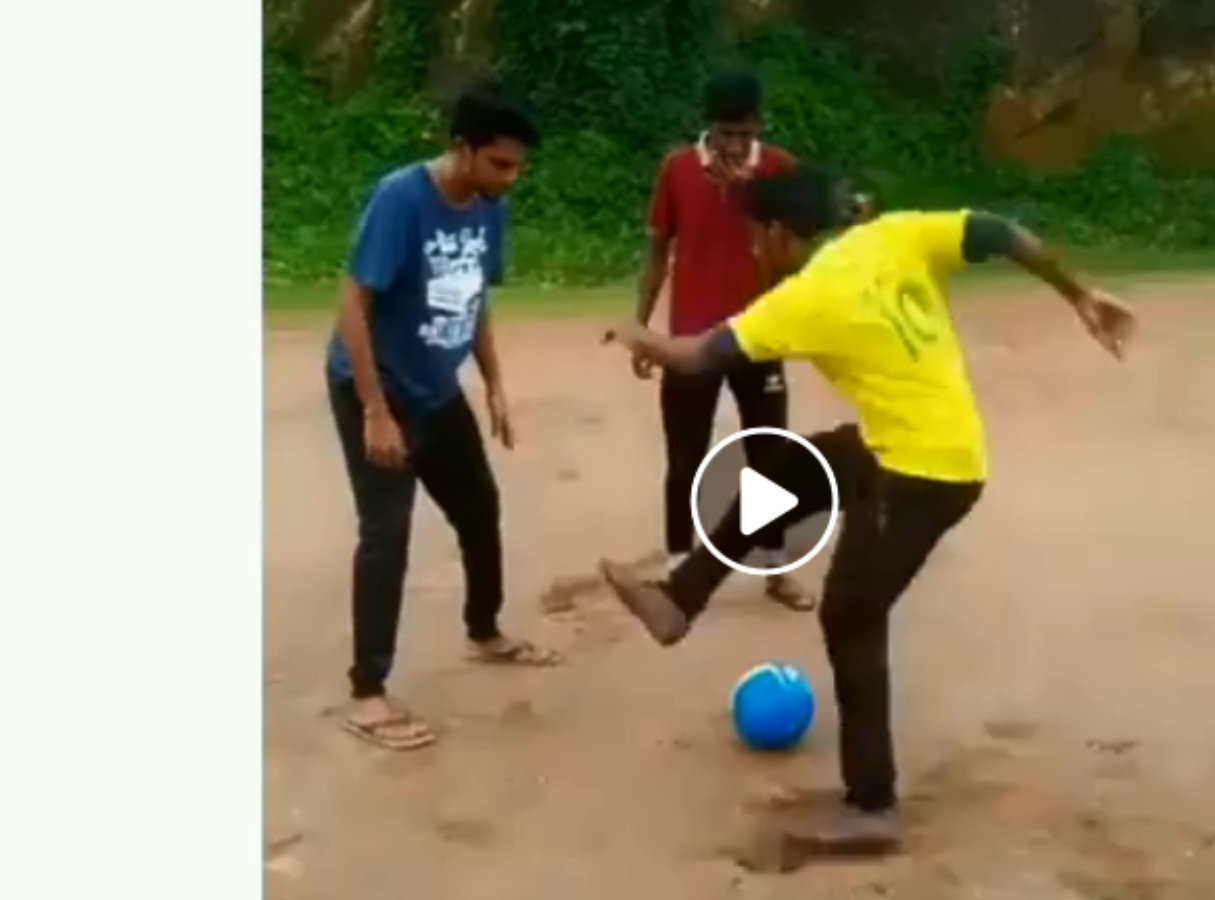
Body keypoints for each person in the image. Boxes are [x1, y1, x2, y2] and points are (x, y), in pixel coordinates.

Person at [599, 167, 1136, 852]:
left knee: (851, 615)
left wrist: (634, 333)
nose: (755, 253)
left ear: (778, 234)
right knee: (788, 470)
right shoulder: (895, 234)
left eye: (755, 240)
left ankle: (872, 806)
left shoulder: (803, 300)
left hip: (920, 478)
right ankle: (680, 599)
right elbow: (1000, 232)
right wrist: (1079, 292)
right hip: (927, 449)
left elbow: (697, 356)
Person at [325, 76, 562, 752]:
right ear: (462, 148)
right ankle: (368, 694)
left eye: (518, 166)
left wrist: (494, 383)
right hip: (378, 387)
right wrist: (375, 412)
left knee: (479, 507)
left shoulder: (489, 206)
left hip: (436, 387)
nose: (511, 178)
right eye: (500, 164)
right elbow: (353, 305)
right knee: (387, 532)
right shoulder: (401, 199)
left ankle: (483, 631)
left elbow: (475, 296)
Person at [632, 68, 813, 610]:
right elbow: (657, 250)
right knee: (685, 456)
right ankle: (677, 569)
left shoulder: (779, 169)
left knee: (769, 454)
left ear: (759, 125)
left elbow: (795, 264)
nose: (734, 145)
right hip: (692, 341)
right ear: (707, 127)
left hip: (759, 337)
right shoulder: (678, 168)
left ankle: (775, 566)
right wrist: (642, 328)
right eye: (724, 133)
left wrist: (752, 201)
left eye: (744, 133)